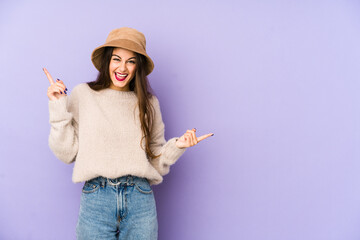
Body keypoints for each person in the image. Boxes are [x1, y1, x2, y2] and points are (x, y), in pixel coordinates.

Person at [44, 27, 214, 240]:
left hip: (139, 200)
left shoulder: (149, 104)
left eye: (131, 61)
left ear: (137, 67)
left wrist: (177, 146)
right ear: (107, 61)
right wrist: (58, 106)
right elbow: (66, 153)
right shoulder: (83, 95)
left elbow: (155, 161)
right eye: (117, 59)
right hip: (97, 199)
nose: (122, 67)